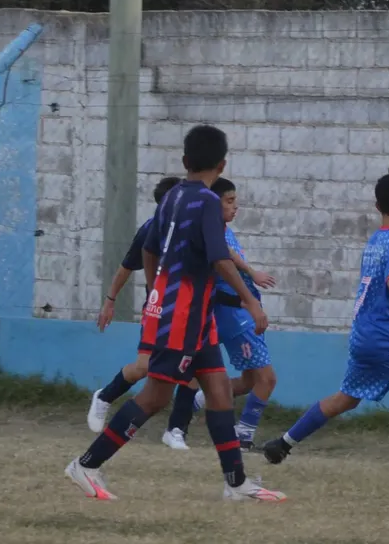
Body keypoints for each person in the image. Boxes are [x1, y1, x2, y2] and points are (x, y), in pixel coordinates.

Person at [65, 124, 286, 503]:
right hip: (184, 315)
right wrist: (250, 301)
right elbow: (219, 259)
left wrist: (156, 289)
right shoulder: (207, 204)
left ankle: (235, 484)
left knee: (218, 394)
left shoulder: (170, 199)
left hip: (194, 317)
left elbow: (150, 248)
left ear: (185, 161)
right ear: (222, 163)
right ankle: (85, 464)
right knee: (154, 397)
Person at [260, 173, 389, 478]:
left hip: (363, 334)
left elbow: (383, 286)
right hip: (388, 336)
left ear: (376, 205)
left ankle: (283, 443)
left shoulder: (375, 241)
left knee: (347, 397)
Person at [86, 175, 199, 451]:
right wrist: (109, 301)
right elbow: (126, 267)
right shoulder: (151, 230)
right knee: (145, 366)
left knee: (192, 368)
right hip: (158, 308)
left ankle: (175, 430)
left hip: (187, 309)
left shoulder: (192, 228)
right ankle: (105, 396)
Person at [191, 177, 277, 451]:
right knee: (267, 379)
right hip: (235, 315)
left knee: (250, 380)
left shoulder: (226, 231)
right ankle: (244, 435)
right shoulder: (215, 233)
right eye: (229, 202)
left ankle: (196, 400)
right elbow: (225, 258)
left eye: (235, 201)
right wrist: (251, 280)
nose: (235, 207)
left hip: (238, 313)